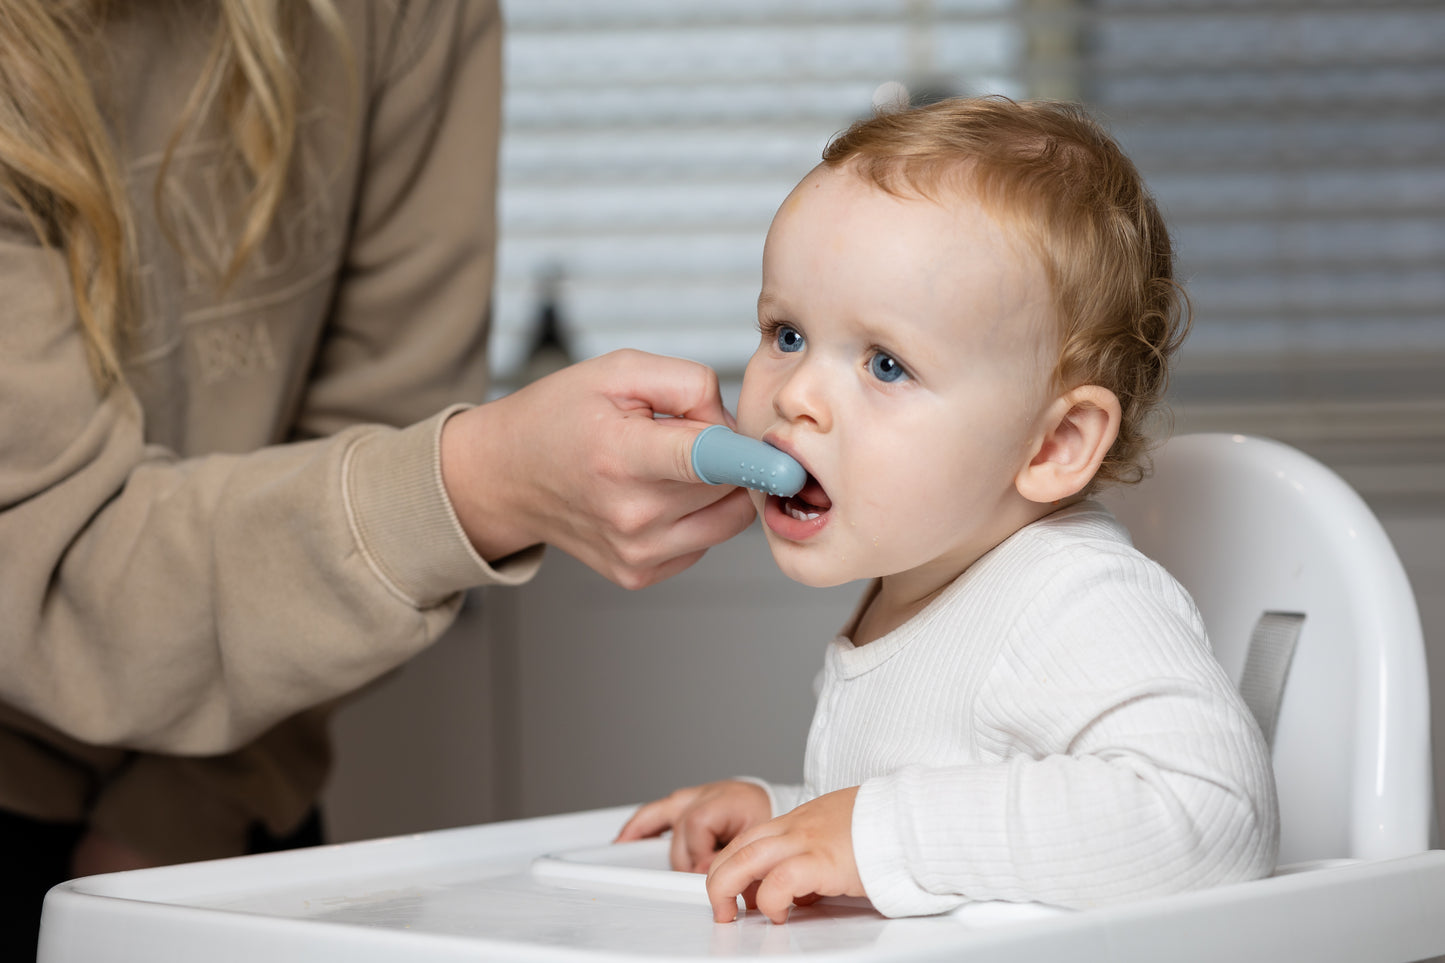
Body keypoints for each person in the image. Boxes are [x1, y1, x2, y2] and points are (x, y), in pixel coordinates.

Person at [0, 1, 754, 957]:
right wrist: (484, 483)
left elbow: (380, 411)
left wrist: (180, 818)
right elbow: (55, 564)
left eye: (886, 362)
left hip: (238, 793)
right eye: (786, 335)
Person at [617, 96, 1280, 924]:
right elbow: (957, 793)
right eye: (786, 334)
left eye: (885, 364)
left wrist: (871, 831)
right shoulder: (918, 581)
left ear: (1052, 444)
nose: (797, 396)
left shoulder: (1072, 596)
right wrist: (790, 819)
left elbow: (1211, 815)